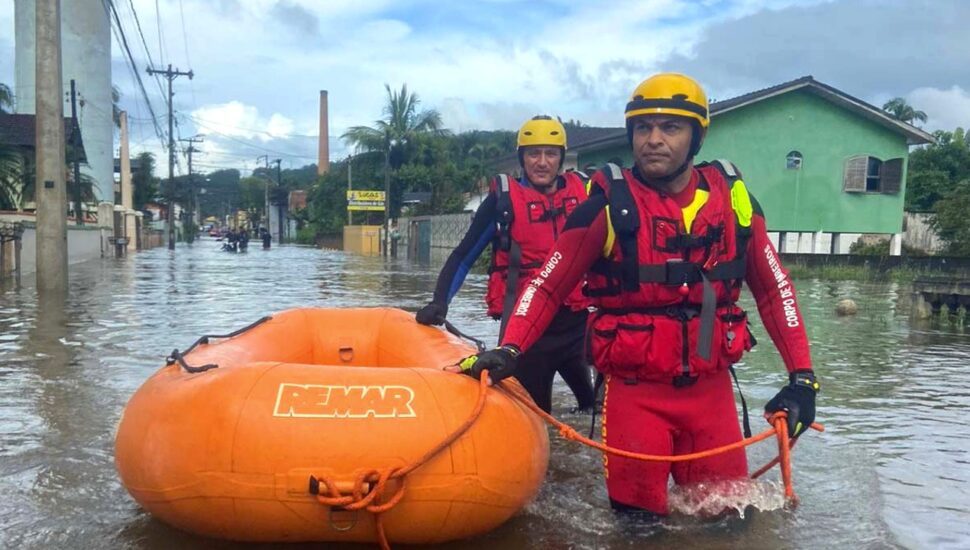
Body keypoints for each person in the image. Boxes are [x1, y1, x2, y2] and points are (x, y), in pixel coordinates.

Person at [456, 74, 819, 517]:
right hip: (634, 397)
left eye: (670, 128)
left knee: (729, 524)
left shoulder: (735, 202)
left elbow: (775, 290)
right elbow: (547, 286)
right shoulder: (607, 208)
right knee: (638, 529)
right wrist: (510, 348)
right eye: (643, 128)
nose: (653, 140)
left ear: (696, 136)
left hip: (712, 398)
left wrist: (802, 379)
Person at [416, 115, 595, 414]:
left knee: (592, 409)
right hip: (527, 336)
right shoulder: (504, 203)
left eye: (550, 153)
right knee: (539, 420)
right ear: (522, 157)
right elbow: (463, 256)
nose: (541, 162)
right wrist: (439, 302)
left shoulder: (585, 194)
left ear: (562, 158)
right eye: (533, 153)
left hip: (575, 328)